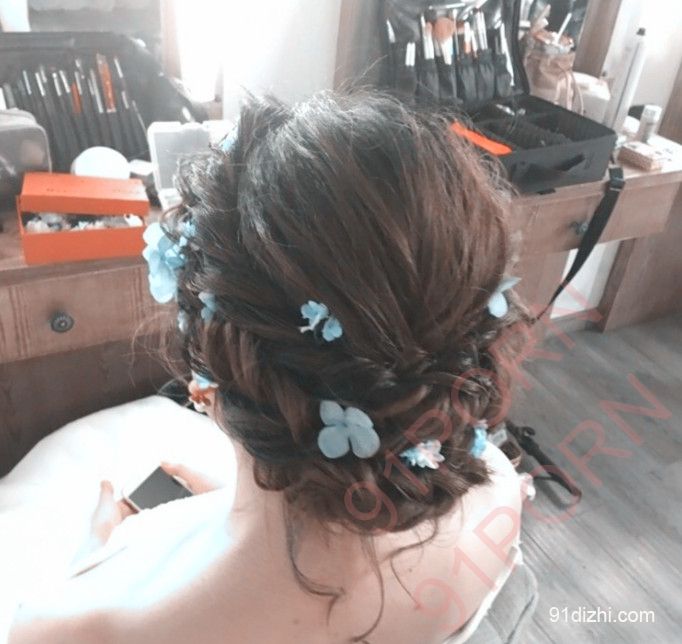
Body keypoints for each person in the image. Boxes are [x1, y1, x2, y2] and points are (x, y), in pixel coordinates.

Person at [9, 91, 532, 644]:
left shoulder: (79, 627)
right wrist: (216, 513)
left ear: (210, 380)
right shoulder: (498, 496)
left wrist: (105, 555)